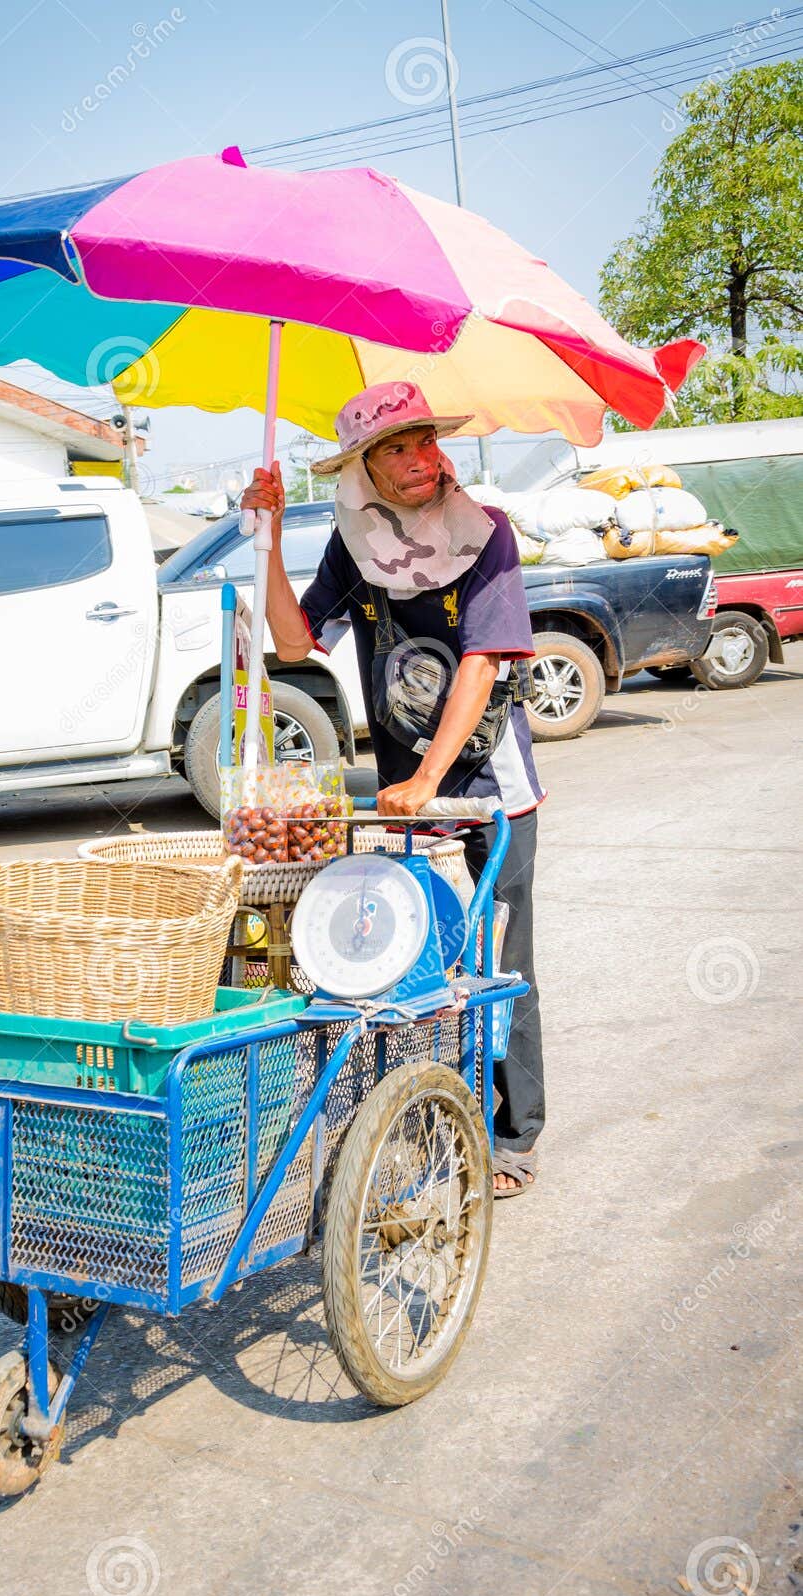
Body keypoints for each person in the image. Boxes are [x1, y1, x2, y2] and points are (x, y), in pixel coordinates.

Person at [240, 381, 545, 1197]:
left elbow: (481, 663)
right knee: (414, 964)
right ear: (364, 472)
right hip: (410, 795)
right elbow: (294, 640)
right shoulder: (355, 544)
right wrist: (267, 539)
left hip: (484, 794)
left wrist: (428, 779)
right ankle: (439, 1115)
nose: (421, 460)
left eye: (425, 443)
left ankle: (512, 1138)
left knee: (497, 963)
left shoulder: (486, 537)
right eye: (397, 450)